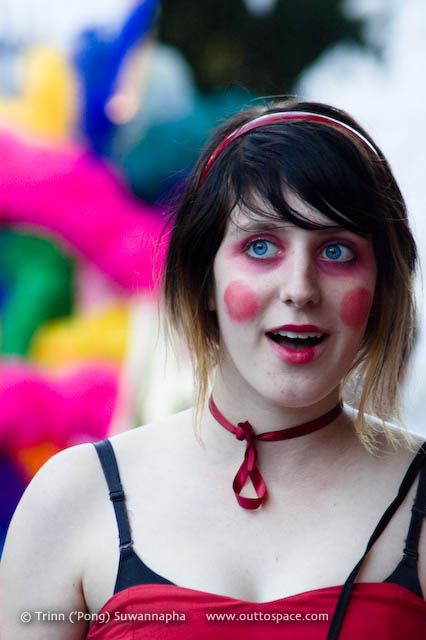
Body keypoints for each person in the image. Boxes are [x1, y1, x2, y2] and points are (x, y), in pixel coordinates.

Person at [0, 100, 425, 639]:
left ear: (382, 288)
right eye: (262, 246)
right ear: (202, 279)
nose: (300, 289)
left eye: (337, 251)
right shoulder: (72, 498)